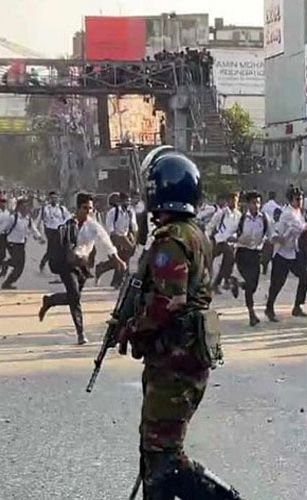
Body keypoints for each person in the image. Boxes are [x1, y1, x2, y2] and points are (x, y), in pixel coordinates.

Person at [118, 147, 242, 500]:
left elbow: (167, 303)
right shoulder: (193, 232)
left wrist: (133, 329)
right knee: (156, 452)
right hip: (183, 356)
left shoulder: (171, 239)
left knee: (164, 457)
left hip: (176, 360)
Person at [37, 193, 124, 345]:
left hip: (82, 266)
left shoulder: (93, 225)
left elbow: (105, 240)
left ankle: (50, 300)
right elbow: (59, 244)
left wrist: (116, 258)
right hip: (67, 264)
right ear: (78, 208)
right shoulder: (67, 223)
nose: (88, 211)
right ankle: (80, 333)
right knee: (75, 297)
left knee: (73, 296)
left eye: (90, 208)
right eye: (85, 208)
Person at [264, 187, 307, 321]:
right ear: (291, 200)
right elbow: (303, 228)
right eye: (297, 199)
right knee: (277, 283)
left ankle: (297, 306)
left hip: (293, 252)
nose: (300, 201)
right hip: (282, 253)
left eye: (301, 198)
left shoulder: (298, 212)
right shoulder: (288, 213)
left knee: (305, 277)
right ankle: (269, 308)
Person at [233, 191, 271, 326]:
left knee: (253, 285)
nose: (256, 205)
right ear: (248, 204)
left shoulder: (264, 218)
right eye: (254, 203)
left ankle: (237, 283)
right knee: (249, 284)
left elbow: (270, 234)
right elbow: (232, 232)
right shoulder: (242, 218)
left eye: (258, 202)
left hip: (256, 254)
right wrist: (233, 238)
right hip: (243, 253)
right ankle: (251, 313)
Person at [96, 192, 140, 288]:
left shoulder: (130, 211)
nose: (127, 203)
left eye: (129, 201)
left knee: (122, 259)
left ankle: (108, 274)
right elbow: (110, 229)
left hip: (126, 236)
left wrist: (134, 239)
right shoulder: (113, 212)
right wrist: (119, 241)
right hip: (115, 237)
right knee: (121, 259)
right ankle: (120, 281)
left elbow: (134, 226)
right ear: (120, 201)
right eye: (125, 201)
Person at [0, 198, 44, 290]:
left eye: (27, 206)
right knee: (18, 264)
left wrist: (39, 237)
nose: (26, 208)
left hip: (21, 243)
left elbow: (33, 229)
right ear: (19, 207)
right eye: (24, 206)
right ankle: (7, 281)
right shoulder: (13, 218)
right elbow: (3, 228)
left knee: (20, 265)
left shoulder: (28, 219)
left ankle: (7, 273)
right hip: (12, 243)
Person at [206, 192, 240, 294]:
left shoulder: (238, 215)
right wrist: (207, 238)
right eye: (232, 200)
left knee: (228, 261)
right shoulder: (222, 213)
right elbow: (211, 225)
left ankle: (217, 283)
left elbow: (238, 230)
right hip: (219, 240)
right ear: (228, 201)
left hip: (231, 242)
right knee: (209, 260)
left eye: (236, 200)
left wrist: (235, 238)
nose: (234, 203)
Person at [38, 191, 71, 274]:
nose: (54, 200)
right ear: (49, 199)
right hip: (49, 230)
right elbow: (41, 220)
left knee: (59, 249)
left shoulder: (62, 209)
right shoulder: (45, 208)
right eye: (52, 198)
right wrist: (40, 233)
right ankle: (44, 263)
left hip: (59, 230)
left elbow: (68, 218)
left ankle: (58, 267)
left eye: (55, 198)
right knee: (51, 249)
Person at [261, 191, 280, 275]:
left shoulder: (264, 206)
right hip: (274, 228)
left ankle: (265, 264)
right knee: (273, 249)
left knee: (266, 248)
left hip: (266, 228)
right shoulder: (278, 207)